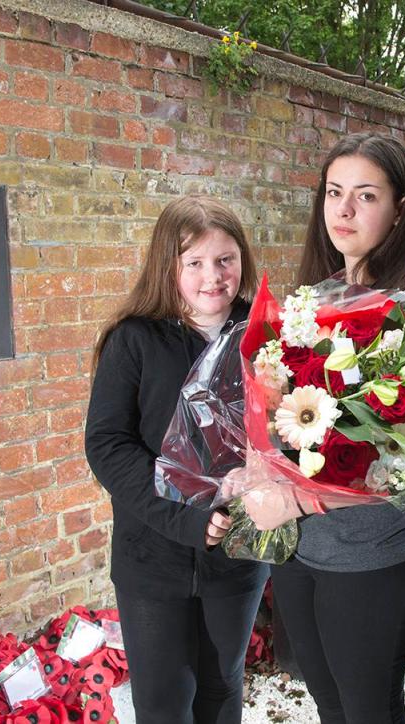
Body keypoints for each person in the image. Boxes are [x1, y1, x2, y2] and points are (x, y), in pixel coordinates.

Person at [246, 133, 405, 724]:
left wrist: (296, 499)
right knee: (326, 701)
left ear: (401, 208)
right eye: (334, 193)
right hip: (300, 555)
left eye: (365, 195)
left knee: (369, 710)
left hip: (371, 557)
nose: (343, 211)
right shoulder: (313, 300)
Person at [85, 195, 269, 724]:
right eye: (195, 263)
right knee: (164, 701)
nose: (213, 276)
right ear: (169, 267)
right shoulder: (135, 340)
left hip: (238, 555)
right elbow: (108, 444)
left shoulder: (267, 336)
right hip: (153, 558)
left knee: (222, 687)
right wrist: (180, 514)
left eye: (225, 260)